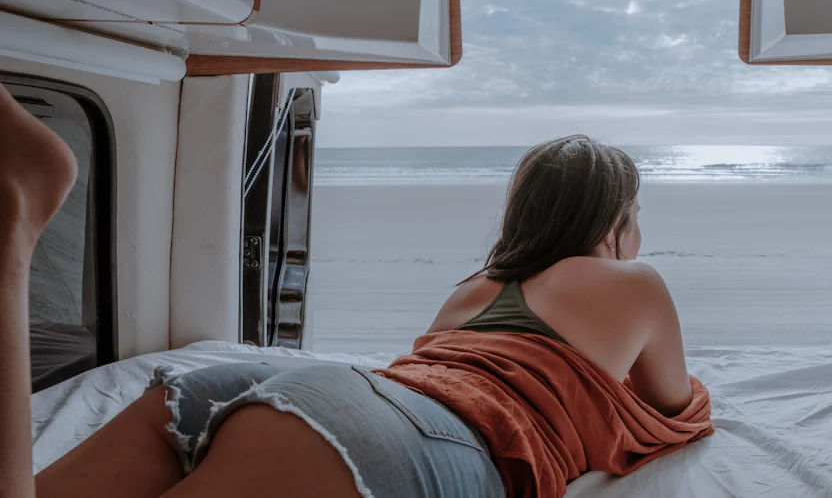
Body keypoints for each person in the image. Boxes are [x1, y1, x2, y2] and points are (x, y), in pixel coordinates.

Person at [0, 85, 712, 498]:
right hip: (388, 437)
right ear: (615, 221)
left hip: (313, 391)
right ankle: (14, 221)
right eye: (635, 214)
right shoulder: (633, 285)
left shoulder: (472, 290)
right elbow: (675, 408)